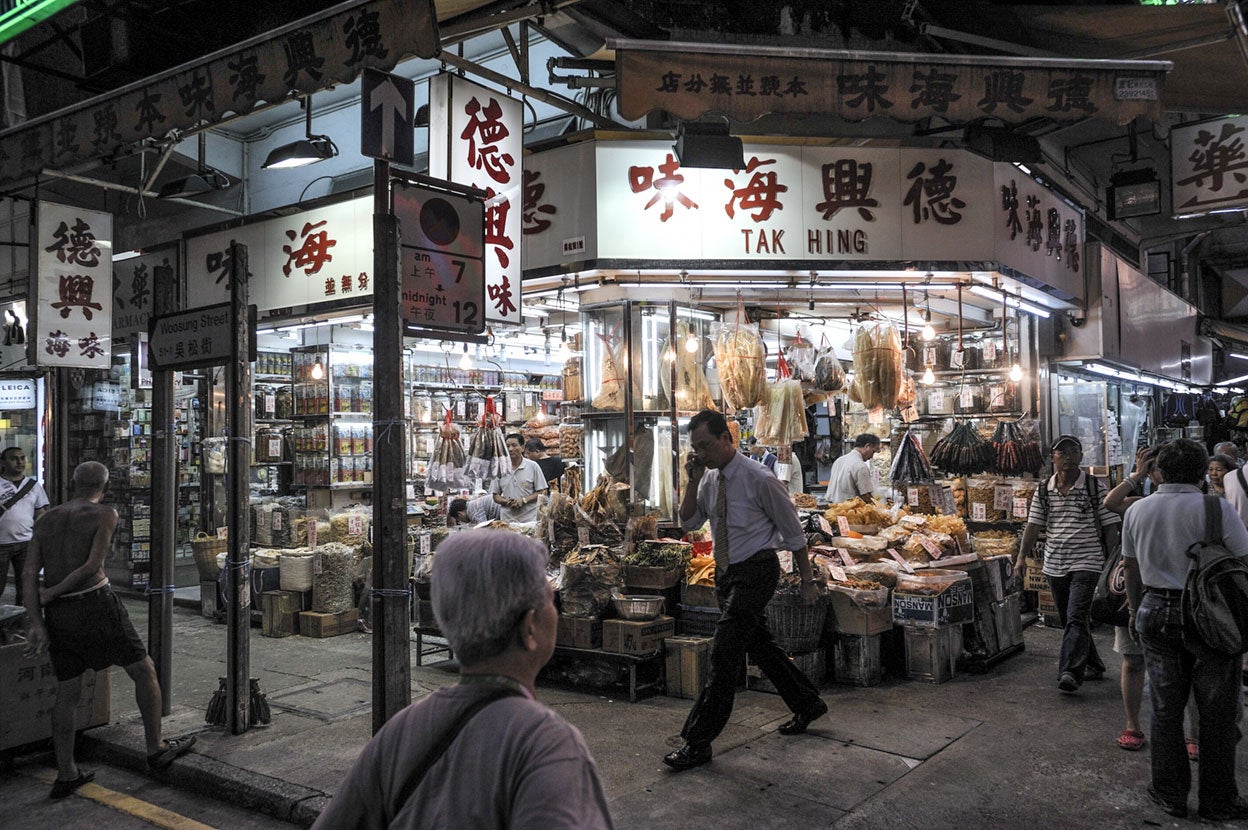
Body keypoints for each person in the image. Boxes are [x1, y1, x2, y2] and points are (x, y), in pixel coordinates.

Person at [312, 529, 614, 829]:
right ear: (529, 628)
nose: (556, 613)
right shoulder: (546, 745)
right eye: (550, 601)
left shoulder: (400, 732)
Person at [664, 410, 826, 772]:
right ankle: (807, 704)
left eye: (706, 446)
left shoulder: (760, 478)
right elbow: (688, 522)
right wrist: (692, 480)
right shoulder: (708, 481)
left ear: (727, 439)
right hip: (726, 573)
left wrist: (807, 580)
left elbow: (794, 532)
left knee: (724, 655)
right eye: (696, 448)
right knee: (761, 646)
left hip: (757, 570)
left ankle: (697, 741)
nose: (702, 453)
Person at [21, 461, 194, 799]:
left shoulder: (47, 519)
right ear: (105, 485)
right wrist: (53, 594)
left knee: (68, 690)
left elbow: (28, 574)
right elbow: (92, 566)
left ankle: (67, 772)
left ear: (72, 482)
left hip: (59, 615)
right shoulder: (105, 515)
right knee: (143, 670)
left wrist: (38, 620)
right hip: (96, 604)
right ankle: (155, 748)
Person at [1122, 438, 1248, 821]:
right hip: (1210, 617)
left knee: (1164, 710)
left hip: (1154, 611)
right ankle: (1217, 802)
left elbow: (1130, 569)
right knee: (1216, 714)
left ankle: (1170, 794)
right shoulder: (1217, 508)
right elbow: (1242, 562)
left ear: (1159, 470)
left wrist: (1134, 610)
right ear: (1200, 472)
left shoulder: (1138, 510)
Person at [1015, 434, 1120, 694]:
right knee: (1072, 619)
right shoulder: (1043, 489)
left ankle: (1070, 672)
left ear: (1082, 456)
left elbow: (1110, 529)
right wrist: (1021, 558)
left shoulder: (1096, 488)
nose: (1068, 457)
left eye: (1073, 451)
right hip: (1054, 564)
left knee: (1075, 616)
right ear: (1053, 458)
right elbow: (1034, 526)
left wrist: (1111, 564)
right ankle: (1094, 664)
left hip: (1088, 561)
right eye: (1062, 453)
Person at [1103, 444, 1162, 753]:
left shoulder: (1204, 505)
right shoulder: (1140, 504)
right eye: (1155, 468)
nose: (1160, 473)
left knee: (1185, 667)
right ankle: (1132, 725)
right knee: (1133, 661)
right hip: (1134, 594)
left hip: (1164, 597)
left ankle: (1192, 735)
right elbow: (1110, 502)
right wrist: (1136, 475)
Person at [0, 446, 49, 606]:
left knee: (26, 587)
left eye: (22, 458)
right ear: (3, 462)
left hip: (26, 543)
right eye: (14, 458)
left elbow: (40, 513)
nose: (19, 462)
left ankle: (22, 623)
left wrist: (39, 539)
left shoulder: (33, 485)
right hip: (1, 544)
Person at [491, 434, 547, 523]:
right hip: (507, 520)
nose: (510, 449)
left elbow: (542, 491)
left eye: (514, 445)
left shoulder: (533, 466)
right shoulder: (500, 468)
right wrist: (506, 502)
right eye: (507, 446)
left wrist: (523, 500)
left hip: (529, 520)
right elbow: (495, 495)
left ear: (522, 448)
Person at [824, 434, 879, 503]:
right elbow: (866, 495)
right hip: (848, 510)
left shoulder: (839, 460)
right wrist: (878, 508)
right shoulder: (860, 466)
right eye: (873, 451)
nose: (872, 456)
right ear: (867, 446)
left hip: (832, 507)